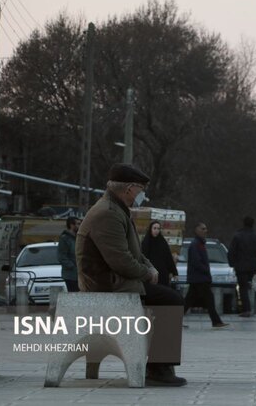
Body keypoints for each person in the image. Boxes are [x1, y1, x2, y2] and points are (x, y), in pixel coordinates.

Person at [76, 163, 186, 387]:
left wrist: (150, 267)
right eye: (141, 189)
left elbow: (133, 251)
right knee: (171, 300)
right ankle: (158, 368)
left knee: (167, 298)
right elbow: (120, 260)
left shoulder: (117, 209)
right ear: (129, 188)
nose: (142, 195)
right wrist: (146, 274)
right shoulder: (107, 213)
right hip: (106, 286)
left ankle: (159, 366)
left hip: (116, 282)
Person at [184, 222, 229, 329]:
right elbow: (197, 262)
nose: (205, 231)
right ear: (197, 230)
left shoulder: (200, 243)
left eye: (206, 229)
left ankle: (174, 318)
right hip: (199, 278)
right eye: (203, 229)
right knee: (208, 299)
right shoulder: (195, 244)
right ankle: (216, 321)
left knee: (189, 300)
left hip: (199, 278)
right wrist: (205, 271)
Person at [228, 216, 256, 317]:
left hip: (240, 266)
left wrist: (232, 264)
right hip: (252, 267)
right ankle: (249, 308)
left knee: (243, 288)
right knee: (248, 286)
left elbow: (231, 252)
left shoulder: (237, 236)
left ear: (243, 223)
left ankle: (246, 309)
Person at [142, 220, 178, 287]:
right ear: (150, 229)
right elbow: (143, 258)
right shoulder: (146, 243)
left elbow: (168, 257)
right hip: (151, 275)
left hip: (163, 274)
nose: (156, 230)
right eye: (154, 228)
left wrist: (174, 272)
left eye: (158, 228)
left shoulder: (162, 242)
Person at [57, 217, 81, 292]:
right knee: (74, 295)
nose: (80, 226)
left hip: (80, 275)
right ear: (71, 225)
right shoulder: (65, 239)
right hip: (71, 275)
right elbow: (62, 257)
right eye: (78, 224)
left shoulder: (78, 238)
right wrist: (73, 267)